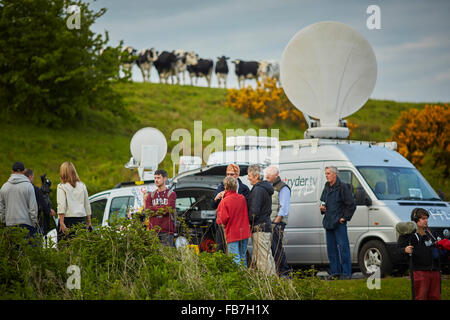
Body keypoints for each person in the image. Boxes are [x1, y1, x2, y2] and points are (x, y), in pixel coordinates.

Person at [319, 166, 356, 280]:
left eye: (328, 173)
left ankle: (346, 273)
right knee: (331, 250)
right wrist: (322, 208)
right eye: (326, 173)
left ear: (335, 174)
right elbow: (323, 202)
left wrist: (344, 218)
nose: (327, 175)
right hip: (328, 222)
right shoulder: (326, 187)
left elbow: (351, 205)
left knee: (343, 248)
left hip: (339, 223)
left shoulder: (343, 187)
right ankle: (335, 273)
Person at [398, 208, 442, 300]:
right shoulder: (409, 234)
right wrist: (405, 250)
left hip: (434, 271)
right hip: (419, 271)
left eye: (427, 218)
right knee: (420, 296)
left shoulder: (431, 233)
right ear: (415, 220)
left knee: (435, 297)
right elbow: (398, 249)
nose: (426, 221)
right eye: (423, 218)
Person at [211, 164, 250, 252]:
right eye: (227, 174)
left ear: (237, 175)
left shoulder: (244, 189)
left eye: (231, 174)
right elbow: (213, 205)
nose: (229, 176)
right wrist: (216, 198)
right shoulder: (222, 186)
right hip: (223, 225)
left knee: (238, 253)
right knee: (220, 250)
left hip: (238, 226)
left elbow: (248, 207)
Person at [247, 164, 276, 276]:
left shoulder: (258, 190)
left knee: (262, 258)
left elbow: (254, 211)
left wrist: (249, 221)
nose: (248, 177)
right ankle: (273, 281)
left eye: (250, 175)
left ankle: (268, 283)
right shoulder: (264, 188)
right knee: (267, 255)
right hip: (266, 226)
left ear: (256, 176)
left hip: (260, 227)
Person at [216, 176, 251, 266]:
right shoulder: (242, 198)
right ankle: (246, 277)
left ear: (225, 187)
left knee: (235, 257)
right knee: (243, 256)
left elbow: (222, 220)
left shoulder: (224, 201)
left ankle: (238, 278)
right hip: (244, 231)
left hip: (232, 232)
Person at [0, 161, 38, 239]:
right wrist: (34, 223)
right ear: (24, 171)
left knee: (13, 250)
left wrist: (4, 221)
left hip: (10, 225)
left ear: (12, 171)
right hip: (26, 225)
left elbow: (1, 208)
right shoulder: (28, 186)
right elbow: (33, 208)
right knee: (26, 250)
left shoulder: (4, 187)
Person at [265, 166, 291, 277]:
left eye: (268, 176)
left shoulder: (283, 188)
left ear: (276, 176)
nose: (266, 178)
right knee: (274, 247)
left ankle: (284, 271)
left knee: (277, 247)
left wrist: (275, 222)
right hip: (272, 221)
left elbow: (284, 208)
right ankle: (279, 271)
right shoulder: (270, 186)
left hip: (277, 223)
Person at [56, 161, 92, 242]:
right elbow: (87, 205)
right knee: (81, 248)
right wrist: (89, 222)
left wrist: (61, 222)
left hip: (67, 221)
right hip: (81, 220)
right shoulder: (82, 186)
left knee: (65, 249)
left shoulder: (61, 187)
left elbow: (61, 205)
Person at [144, 169, 176, 247]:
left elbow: (167, 210)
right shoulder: (151, 195)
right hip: (153, 231)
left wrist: (154, 208)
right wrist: (161, 208)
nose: (156, 180)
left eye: (158, 178)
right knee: (154, 255)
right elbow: (147, 211)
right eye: (155, 178)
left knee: (167, 255)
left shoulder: (171, 194)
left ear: (165, 179)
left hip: (167, 231)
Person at [24, 168, 56, 235]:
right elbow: (43, 204)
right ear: (30, 176)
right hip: (34, 221)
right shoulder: (35, 189)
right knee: (36, 242)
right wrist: (49, 210)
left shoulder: (19, 188)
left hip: (20, 220)